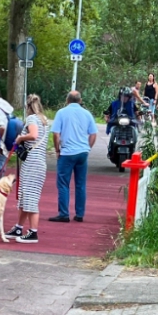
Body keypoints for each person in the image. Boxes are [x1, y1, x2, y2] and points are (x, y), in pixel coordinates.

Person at [49, 91, 98, 223]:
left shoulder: (61, 113)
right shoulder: (87, 114)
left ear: (67, 100)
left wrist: (57, 149)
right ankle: (80, 214)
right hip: (82, 153)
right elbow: (93, 134)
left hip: (67, 152)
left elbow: (56, 134)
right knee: (80, 184)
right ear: (80, 100)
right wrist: (87, 148)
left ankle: (64, 213)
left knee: (63, 184)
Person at [6, 94, 49, 243]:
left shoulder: (31, 119)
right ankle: (19, 227)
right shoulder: (44, 120)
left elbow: (33, 135)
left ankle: (33, 232)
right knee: (25, 197)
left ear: (28, 107)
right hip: (38, 162)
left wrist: (20, 138)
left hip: (32, 163)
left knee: (30, 198)